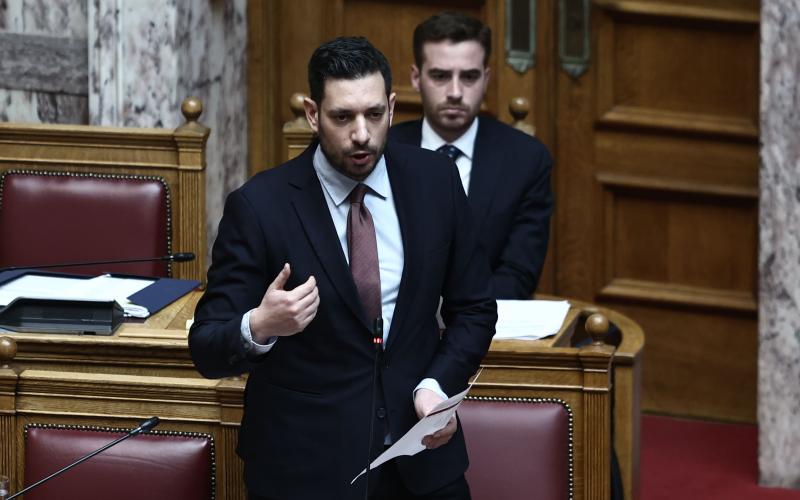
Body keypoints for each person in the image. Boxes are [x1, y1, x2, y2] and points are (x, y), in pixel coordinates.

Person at [189, 36, 496, 500]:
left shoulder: (436, 181)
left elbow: (474, 308)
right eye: (342, 117)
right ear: (313, 114)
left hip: (423, 461)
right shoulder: (259, 207)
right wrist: (261, 325)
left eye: (374, 114)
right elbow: (206, 347)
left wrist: (437, 386)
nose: (361, 134)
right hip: (307, 471)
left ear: (392, 107)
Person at [390, 11, 554, 299]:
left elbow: (518, 274)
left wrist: (464, 316)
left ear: (486, 79)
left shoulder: (526, 159)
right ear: (416, 78)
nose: (455, 92)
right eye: (440, 76)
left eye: (469, 77)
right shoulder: (383, 150)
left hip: (486, 320)